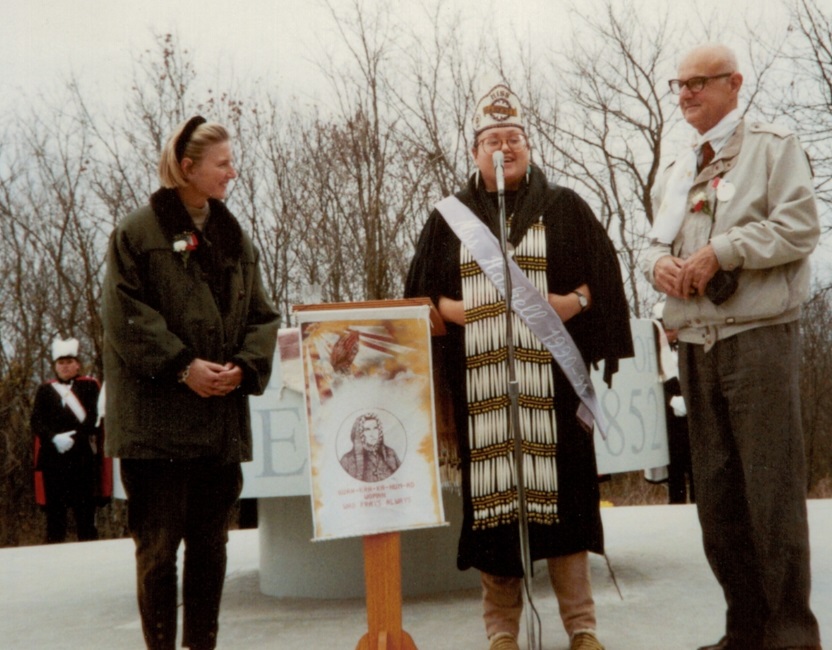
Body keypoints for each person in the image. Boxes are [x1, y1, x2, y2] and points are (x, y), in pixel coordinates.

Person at [405, 82, 633, 650]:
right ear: (474, 152)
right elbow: (417, 299)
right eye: (491, 140)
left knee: (567, 504)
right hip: (481, 392)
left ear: (530, 145)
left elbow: (602, 283)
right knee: (495, 509)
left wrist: (570, 304)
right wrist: (449, 310)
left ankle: (582, 628)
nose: (503, 148)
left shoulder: (565, 208)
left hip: (554, 388)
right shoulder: (447, 220)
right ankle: (501, 631)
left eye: (514, 138)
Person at [643, 44, 822, 650]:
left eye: (699, 82)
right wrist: (658, 267)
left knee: (770, 491)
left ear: (735, 84)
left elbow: (800, 227)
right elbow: (651, 244)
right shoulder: (676, 163)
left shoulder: (773, 147)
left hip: (757, 338)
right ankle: (743, 629)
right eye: (680, 84)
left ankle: (792, 635)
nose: (687, 93)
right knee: (717, 501)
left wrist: (727, 249)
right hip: (694, 342)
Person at [101, 116, 279, 650]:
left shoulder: (234, 237)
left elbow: (263, 317)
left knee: (211, 548)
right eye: (222, 163)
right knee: (158, 553)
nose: (233, 171)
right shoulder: (136, 234)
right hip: (156, 433)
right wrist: (185, 366)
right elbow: (124, 317)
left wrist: (244, 368)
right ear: (187, 167)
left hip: (216, 428)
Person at [30, 336, 103, 543]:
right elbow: (37, 421)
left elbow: (95, 417)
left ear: (77, 364)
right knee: (55, 517)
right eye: (61, 363)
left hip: (81, 457)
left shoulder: (90, 386)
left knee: (85, 515)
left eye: (69, 362)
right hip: (53, 458)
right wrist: (53, 438)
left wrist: (76, 438)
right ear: (55, 366)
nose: (65, 366)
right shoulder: (44, 390)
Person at [649, 302, 694, 504]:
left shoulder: (691, 349)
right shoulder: (651, 356)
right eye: (663, 329)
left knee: (696, 468)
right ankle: (675, 507)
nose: (668, 334)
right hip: (669, 423)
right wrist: (670, 401)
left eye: (671, 328)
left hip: (693, 418)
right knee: (674, 468)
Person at [339, 412, 401, 482]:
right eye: (367, 430)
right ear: (359, 433)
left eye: (375, 428)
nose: (372, 434)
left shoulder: (391, 453)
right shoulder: (347, 460)